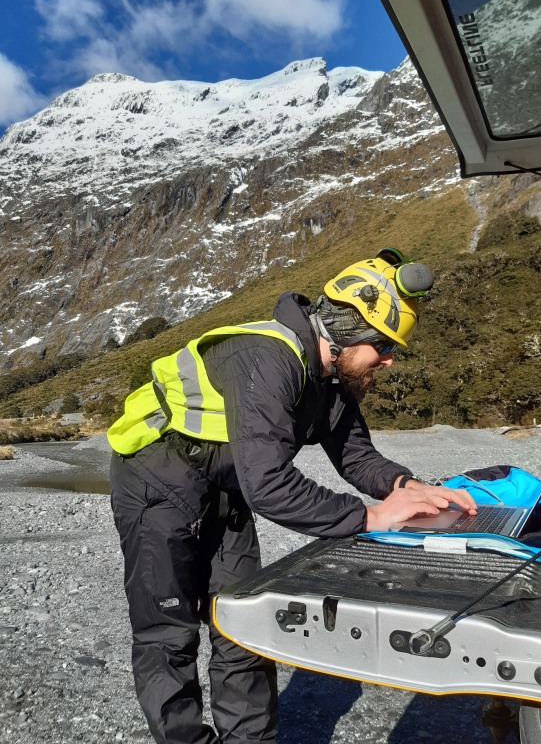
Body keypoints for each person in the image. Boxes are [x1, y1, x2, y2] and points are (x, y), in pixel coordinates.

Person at [107, 247, 476, 744]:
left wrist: (408, 487)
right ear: (346, 333)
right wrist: (368, 517)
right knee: (167, 633)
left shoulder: (331, 379)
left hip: (225, 486)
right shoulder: (266, 359)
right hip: (158, 479)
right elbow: (270, 485)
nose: (389, 360)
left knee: (241, 623)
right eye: (384, 346)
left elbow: (356, 457)